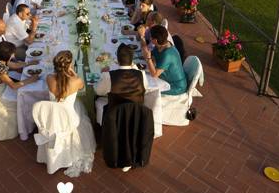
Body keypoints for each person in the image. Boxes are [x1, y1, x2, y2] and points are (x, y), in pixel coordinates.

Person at [36, 51, 95, 177]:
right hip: (69, 118)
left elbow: (59, 82)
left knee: (76, 106)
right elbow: (82, 87)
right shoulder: (76, 81)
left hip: (52, 117)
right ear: (69, 65)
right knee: (79, 110)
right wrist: (73, 73)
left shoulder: (49, 78)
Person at [94, 44, 148, 172]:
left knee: (97, 100)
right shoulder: (141, 74)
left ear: (117, 59)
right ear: (132, 59)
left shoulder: (109, 76)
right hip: (136, 115)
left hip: (116, 116)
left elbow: (98, 91)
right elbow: (145, 89)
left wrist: (103, 76)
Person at [0, 41, 40, 141]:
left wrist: (29, 63)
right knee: (25, 98)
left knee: (23, 85)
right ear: (7, 56)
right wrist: (30, 80)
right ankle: (26, 126)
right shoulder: (0, 68)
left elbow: (14, 65)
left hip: (0, 84)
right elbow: (13, 86)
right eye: (12, 53)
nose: (14, 54)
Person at [142, 25, 187, 96]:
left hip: (175, 86)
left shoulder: (167, 54)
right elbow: (153, 56)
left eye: (151, 37)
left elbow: (154, 74)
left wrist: (148, 58)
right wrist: (150, 58)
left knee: (147, 90)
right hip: (164, 78)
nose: (150, 38)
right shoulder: (161, 44)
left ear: (155, 40)